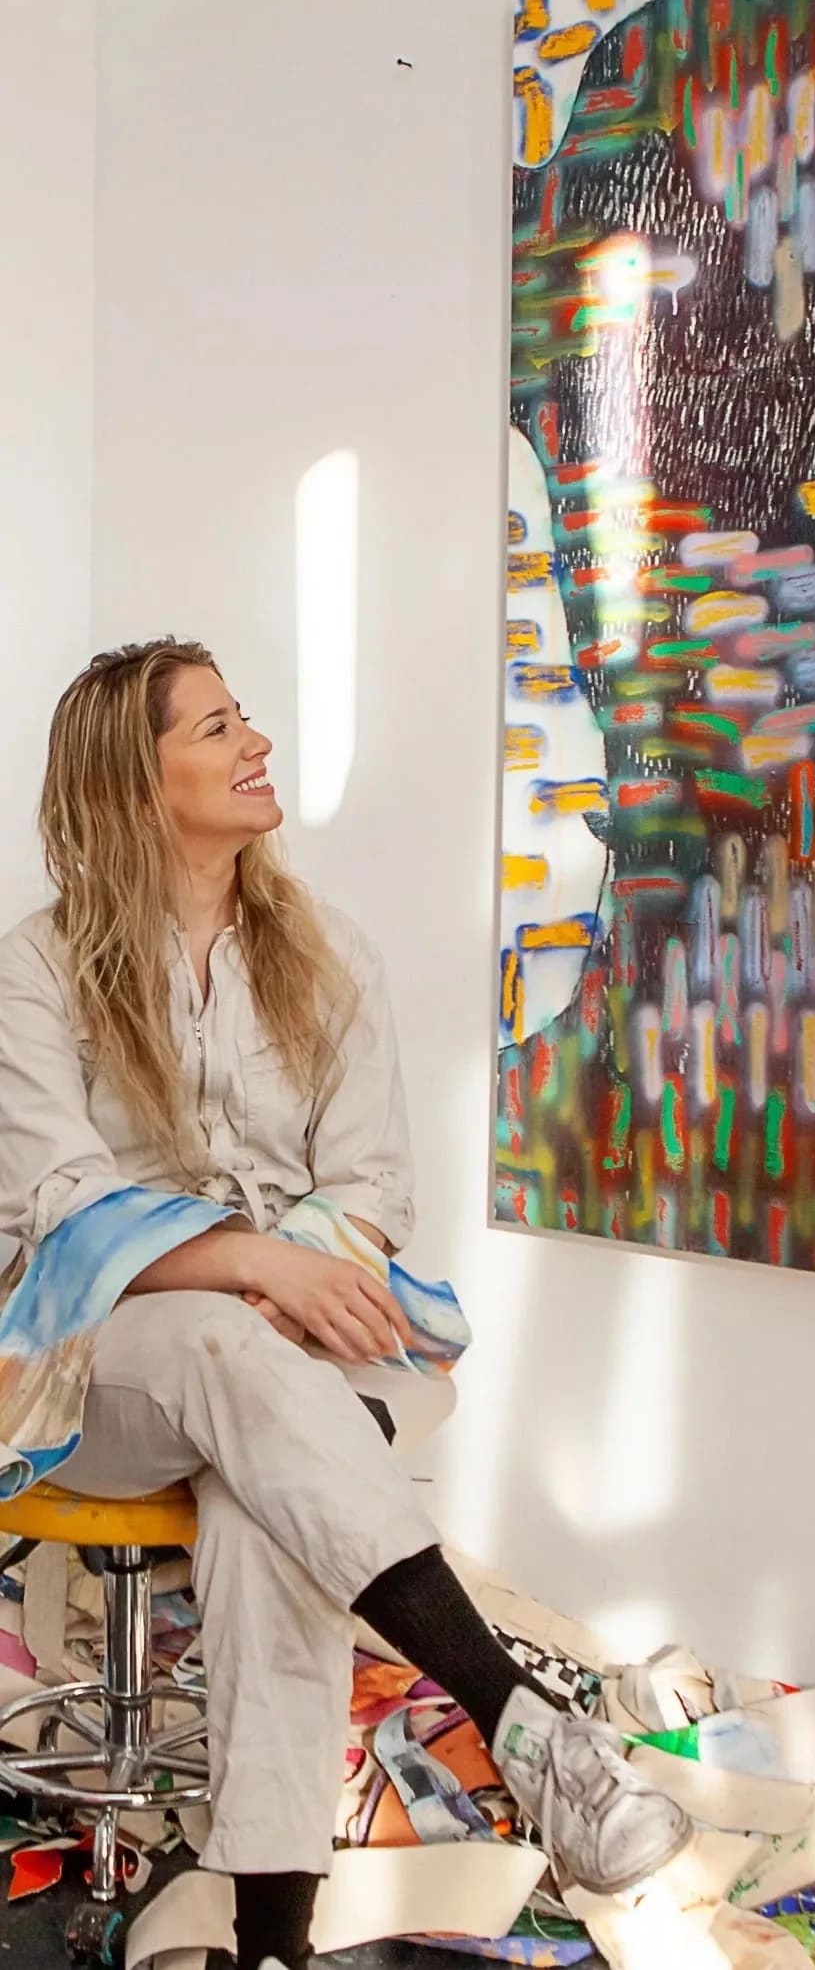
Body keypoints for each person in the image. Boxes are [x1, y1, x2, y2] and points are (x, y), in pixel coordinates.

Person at [0, 640, 690, 1970]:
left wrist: (300, 1283)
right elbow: (60, 1209)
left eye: (242, 716)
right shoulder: (37, 969)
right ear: (137, 786)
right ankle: (514, 1704)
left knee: (268, 1517)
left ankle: (274, 1950)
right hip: (97, 1372)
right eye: (215, 727)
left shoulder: (325, 955)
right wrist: (259, 1269)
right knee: (216, 1342)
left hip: (302, 1354)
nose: (256, 743)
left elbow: (371, 1186)